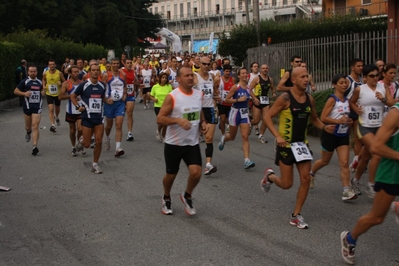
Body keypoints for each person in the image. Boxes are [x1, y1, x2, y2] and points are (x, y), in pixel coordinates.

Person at [260, 67, 335, 229]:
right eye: (302, 77)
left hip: (302, 145)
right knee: (287, 184)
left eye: (307, 76)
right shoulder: (285, 99)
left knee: (306, 179)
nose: (306, 79)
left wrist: (324, 127)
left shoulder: (310, 99)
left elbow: (314, 119)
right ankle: (270, 177)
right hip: (285, 145)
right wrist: (277, 136)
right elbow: (267, 116)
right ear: (293, 80)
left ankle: (296, 215)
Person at [340, 101, 399, 265]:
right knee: (377, 217)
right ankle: (350, 238)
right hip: (391, 173)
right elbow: (377, 147)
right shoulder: (395, 114)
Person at [157, 66, 207, 216]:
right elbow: (160, 118)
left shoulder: (199, 95)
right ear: (178, 79)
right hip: (174, 144)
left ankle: (187, 195)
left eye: (191, 75)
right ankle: (166, 196)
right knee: (171, 176)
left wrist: (203, 122)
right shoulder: (172, 96)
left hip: (192, 143)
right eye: (186, 76)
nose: (190, 78)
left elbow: (199, 110)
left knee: (196, 173)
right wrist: (178, 121)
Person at [349, 64, 395, 198]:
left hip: (379, 126)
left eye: (377, 75)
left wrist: (384, 99)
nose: (375, 78)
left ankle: (355, 180)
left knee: (366, 157)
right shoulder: (360, 90)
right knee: (377, 154)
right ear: (365, 77)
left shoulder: (383, 87)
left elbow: (392, 103)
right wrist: (355, 109)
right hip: (365, 126)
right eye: (372, 76)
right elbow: (351, 102)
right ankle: (371, 185)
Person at [309, 74, 356, 201]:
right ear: (334, 85)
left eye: (346, 82)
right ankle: (311, 173)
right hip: (330, 134)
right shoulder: (332, 99)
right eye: (341, 83)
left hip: (343, 135)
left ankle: (347, 190)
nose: (345, 85)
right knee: (324, 161)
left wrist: (349, 121)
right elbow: (323, 117)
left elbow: (345, 116)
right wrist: (338, 121)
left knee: (344, 163)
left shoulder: (347, 100)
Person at [71, 62, 112, 173]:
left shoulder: (102, 85)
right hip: (87, 118)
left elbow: (103, 98)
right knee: (87, 144)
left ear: (99, 72)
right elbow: (72, 96)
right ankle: (82, 141)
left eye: (97, 70)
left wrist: (108, 101)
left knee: (98, 141)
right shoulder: (84, 85)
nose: (95, 72)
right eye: (93, 70)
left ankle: (95, 164)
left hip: (99, 118)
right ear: (90, 72)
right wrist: (78, 106)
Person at [218, 67, 256, 170]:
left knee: (245, 137)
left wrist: (256, 100)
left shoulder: (248, 88)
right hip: (235, 113)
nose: (245, 75)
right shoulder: (235, 87)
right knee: (232, 137)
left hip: (244, 113)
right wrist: (238, 100)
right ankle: (224, 138)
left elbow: (253, 96)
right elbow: (227, 99)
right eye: (242, 73)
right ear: (238, 76)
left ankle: (247, 160)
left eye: (246, 73)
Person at [194, 56, 220, 175]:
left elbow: (215, 91)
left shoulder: (212, 77)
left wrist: (216, 96)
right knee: (193, 138)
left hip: (209, 109)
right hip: (197, 109)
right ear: (199, 63)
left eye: (208, 64)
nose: (206, 66)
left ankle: (208, 164)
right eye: (204, 64)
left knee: (209, 138)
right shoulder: (195, 77)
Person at [14, 65, 44, 155]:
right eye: (31, 71)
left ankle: (34, 146)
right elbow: (15, 91)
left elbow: (43, 91)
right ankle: (28, 132)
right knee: (28, 127)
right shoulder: (25, 82)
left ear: (37, 72)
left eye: (34, 71)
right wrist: (24, 93)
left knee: (35, 126)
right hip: (27, 107)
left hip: (37, 107)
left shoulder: (39, 82)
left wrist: (43, 92)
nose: (33, 73)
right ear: (28, 72)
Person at [102, 58, 127, 157]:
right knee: (109, 125)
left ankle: (118, 148)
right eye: (114, 63)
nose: (116, 65)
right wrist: (106, 99)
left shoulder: (123, 75)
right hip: (109, 104)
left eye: (117, 63)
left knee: (119, 125)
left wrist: (125, 94)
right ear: (111, 65)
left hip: (120, 103)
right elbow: (101, 88)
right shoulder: (106, 75)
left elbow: (125, 86)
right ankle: (107, 137)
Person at [58, 65, 85, 156]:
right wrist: (71, 96)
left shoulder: (82, 83)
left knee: (81, 128)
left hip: (80, 109)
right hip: (70, 110)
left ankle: (80, 145)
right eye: (74, 72)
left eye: (78, 72)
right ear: (70, 73)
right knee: (72, 130)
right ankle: (73, 147)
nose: (77, 74)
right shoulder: (66, 84)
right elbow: (60, 97)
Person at [249, 64, 276, 143]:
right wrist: (254, 98)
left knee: (266, 119)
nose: (265, 69)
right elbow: (249, 89)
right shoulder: (257, 79)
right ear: (261, 70)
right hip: (257, 100)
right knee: (256, 120)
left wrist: (273, 93)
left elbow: (272, 88)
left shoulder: (270, 79)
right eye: (263, 68)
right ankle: (251, 124)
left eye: (266, 68)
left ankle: (261, 136)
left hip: (266, 101)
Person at [346, 58, 364, 174]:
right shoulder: (347, 80)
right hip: (346, 112)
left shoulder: (361, 81)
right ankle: (344, 161)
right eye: (358, 66)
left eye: (362, 66)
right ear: (353, 67)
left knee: (358, 138)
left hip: (356, 112)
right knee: (344, 138)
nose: (361, 68)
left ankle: (357, 162)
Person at [42, 59, 65, 133]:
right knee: (51, 109)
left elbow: (65, 82)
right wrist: (44, 86)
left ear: (55, 65)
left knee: (57, 108)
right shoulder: (46, 73)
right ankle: (53, 125)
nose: (52, 66)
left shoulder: (59, 73)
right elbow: (43, 80)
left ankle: (57, 117)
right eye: (50, 64)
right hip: (49, 93)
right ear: (48, 65)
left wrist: (61, 83)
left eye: (53, 64)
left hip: (57, 93)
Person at [150, 72, 173, 142]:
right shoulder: (155, 87)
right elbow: (151, 96)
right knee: (161, 122)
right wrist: (154, 99)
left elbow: (172, 96)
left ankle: (164, 136)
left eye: (165, 78)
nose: (164, 79)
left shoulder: (169, 86)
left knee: (165, 122)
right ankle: (159, 130)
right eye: (163, 78)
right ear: (160, 78)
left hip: (167, 106)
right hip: (158, 106)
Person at [214, 64, 235, 135]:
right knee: (223, 118)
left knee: (229, 120)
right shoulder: (218, 79)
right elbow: (214, 87)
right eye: (226, 71)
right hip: (221, 102)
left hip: (230, 102)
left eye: (229, 71)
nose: (228, 73)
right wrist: (216, 94)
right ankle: (223, 134)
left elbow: (235, 90)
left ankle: (223, 124)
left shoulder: (233, 79)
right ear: (223, 71)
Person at [122, 58, 139, 141]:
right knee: (120, 115)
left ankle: (129, 133)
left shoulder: (133, 72)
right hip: (122, 96)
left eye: (130, 63)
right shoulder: (121, 71)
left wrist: (135, 83)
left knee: (129, 113)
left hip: (130, 94)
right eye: (127, 63)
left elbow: (137, 82)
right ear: (124, 64)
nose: (129, 64)